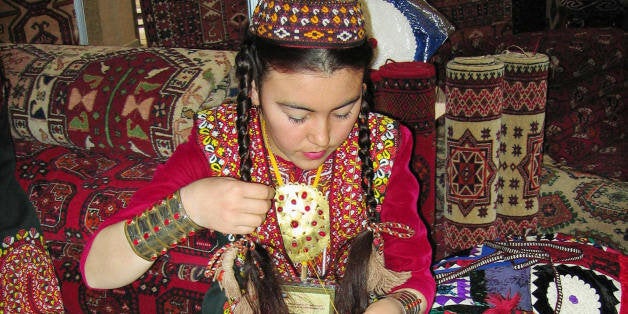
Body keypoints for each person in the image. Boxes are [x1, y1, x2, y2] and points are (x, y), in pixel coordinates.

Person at [81, 0, 435, 313]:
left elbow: (414, 275)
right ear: (253, 88)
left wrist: (391, 306)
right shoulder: (219, 141)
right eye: (297, 116)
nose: (323, 137)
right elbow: (98, 271)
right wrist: (189, 207)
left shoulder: (381, 143)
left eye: (344, 112)